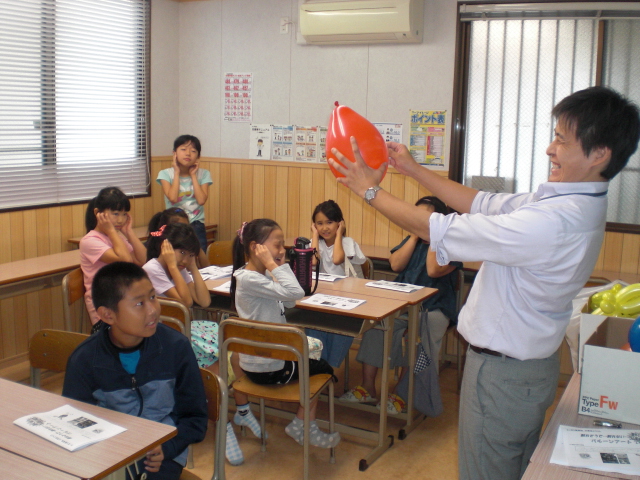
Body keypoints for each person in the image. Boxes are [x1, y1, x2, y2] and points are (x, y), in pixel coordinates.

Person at [327, 86, 640, 480]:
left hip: (503, 376)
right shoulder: (568, 202)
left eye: (561, 139)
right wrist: (414, 169)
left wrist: (367, 189)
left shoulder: (555, 221)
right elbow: (481, 202)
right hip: (522, 371)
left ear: (599, 154)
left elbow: (437, 227)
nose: (549, 149)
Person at [62, 262, 208, 480]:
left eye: (152, 297)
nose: (153, 310)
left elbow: (195, 418)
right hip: (108, 455)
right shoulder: (85, 359)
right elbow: (73, 423)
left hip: (161, 456)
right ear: (107, 315)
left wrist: (168, 448)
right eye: (139, 303)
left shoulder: (175, 347)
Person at [340, 196, 462, 414]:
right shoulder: (411, 240)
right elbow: (396, 264)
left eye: (424, 217)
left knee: (418, 338)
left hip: (434, 308)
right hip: (401, 304)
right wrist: (415, 234)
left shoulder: (450, 245)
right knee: (376, 326)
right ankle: (368, 388)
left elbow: (434, 270)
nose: (417, 220)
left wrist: (435, 236)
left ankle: (402, 394)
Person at [231, 218, 340, 452]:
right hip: (270, 368)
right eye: (277, 245)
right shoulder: (251, 279)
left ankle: (301, 425)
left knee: (312, 358)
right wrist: (273, 265)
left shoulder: (254, 276)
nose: (283, 250)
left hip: (261, 363)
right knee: (324, 369)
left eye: (283, 246)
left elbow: (290, 300)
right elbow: (297, 291)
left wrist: (275, 266)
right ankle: (303, 427)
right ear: (255, 247)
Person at [143, 222, 216, 370]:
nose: (185, 260)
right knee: (213, 347)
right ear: (166, 247)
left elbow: (204, 301)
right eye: (182, 252)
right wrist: (172, 266)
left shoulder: (180, 268)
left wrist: (193, 267)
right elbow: (186, 302)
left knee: (217, 332)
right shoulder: (153, 269)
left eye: (190, 255)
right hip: (161, 331)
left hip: (178, 327)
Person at [306, 200, 366, 368]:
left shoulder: (348, 242)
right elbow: (313, 262)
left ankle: (330, 367)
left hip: (347, 299)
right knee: (314, 324)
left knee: (340, 327)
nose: (325, 227)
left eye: (330, 222)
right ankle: (317, 365)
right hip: (324, 297)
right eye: (319, 224)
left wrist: (340, 235)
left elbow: (337, 259)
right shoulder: (317, 244)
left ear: (340, 224)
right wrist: (315, 237)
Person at [80, 186, 147, 325]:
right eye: (116, 214)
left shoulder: (117, 238)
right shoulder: (89, 241)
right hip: (104, 304)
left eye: (124, 214)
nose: (121, 220)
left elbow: (142, 260)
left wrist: (128, 232)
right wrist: (111, 231)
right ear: (98, 213)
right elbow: (125, 261)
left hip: (121, 296)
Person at [157, 135, 212, 252]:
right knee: (176, 255)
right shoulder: (165, 174)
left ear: (198, 156)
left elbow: (201, 200)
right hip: (174, 223)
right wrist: (176, 173)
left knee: (199, 255)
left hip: (196, 224)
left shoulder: (204, 174)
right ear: (174, 153)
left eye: (193, 151)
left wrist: (193, 175)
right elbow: (172, 198)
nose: (188, 154)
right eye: (183, 149)